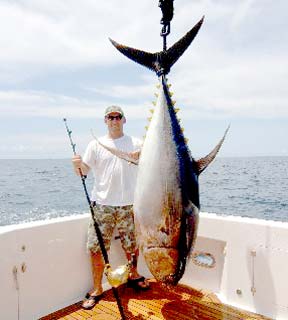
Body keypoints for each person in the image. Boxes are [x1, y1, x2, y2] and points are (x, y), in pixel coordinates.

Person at [72, 105, 149, 310]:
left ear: (124, 120)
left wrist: (142, 153)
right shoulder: (95, 145)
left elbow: (149, 161)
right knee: (96, 249)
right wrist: (76, 165)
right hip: (102, 206)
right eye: (110, 117)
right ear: (105, 121)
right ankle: (97, 288)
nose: (114, 120)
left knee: (131, 246)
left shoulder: (137, 143)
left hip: (129, 205)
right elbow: (83, 172)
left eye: (118, 116)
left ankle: (133, 274)